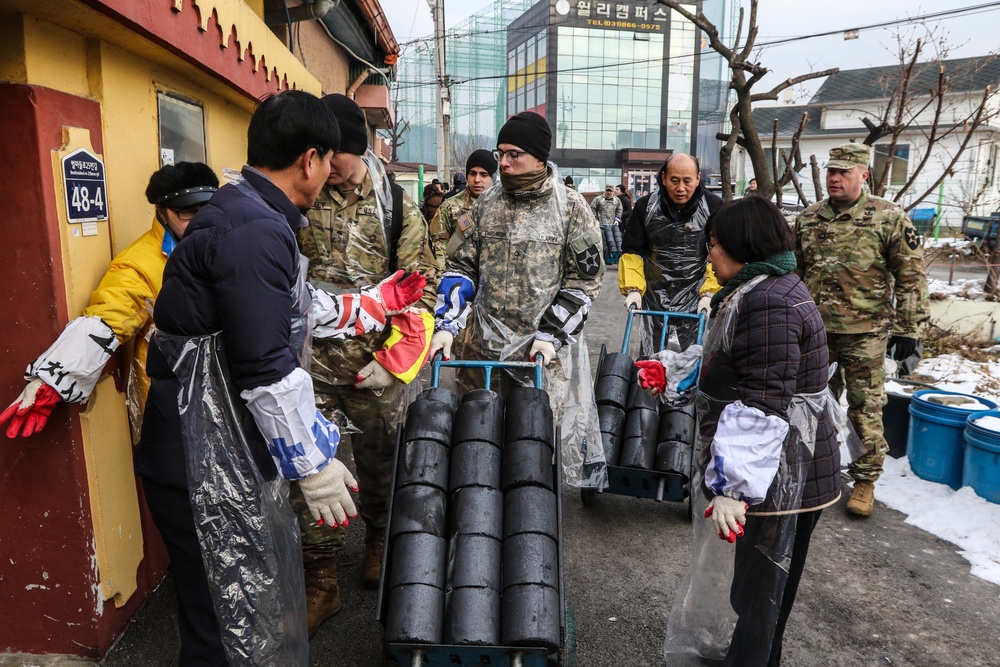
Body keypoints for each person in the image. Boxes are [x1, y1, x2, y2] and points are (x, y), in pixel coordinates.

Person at [651, 197, 840, 667]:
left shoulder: (771, 302)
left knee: (762, 599)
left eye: (714, 244)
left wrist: (734, 487)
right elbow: (733, 360)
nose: (709, 254)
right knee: (756, 594)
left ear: (741, 245)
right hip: (776, 470)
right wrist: (678, 372)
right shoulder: (758, 289)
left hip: (781, 475)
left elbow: (763, 398)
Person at [294, 93, 442, 634]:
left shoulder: (396, 205)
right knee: (311, 473)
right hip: (310, 369)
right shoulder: (300, 193)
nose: (328, 168)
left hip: (374, 370)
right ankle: (322, 579)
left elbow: (420, 290)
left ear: (358, 149)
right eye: (322, 156)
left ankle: (379, 539)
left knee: (380, 465)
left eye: (338, 157)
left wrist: (394, 360)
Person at [1, 162, 218, 441]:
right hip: (180, 407)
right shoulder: (138, 264)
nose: (200, 221)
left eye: (208, 210)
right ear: (161, 211)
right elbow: (111, 314)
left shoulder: (229, 241)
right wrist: (56, 378)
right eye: (187, 212)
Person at [794, 143, 929, 517]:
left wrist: (909, 328)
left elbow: (911, 277)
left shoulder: (889, 217)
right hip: (816, 332)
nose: (834, 178)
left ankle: (865, 480)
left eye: (843, 173)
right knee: (809, 403)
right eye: (830, 172)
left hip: (865, 333)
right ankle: (809, 467)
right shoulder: (809, 218)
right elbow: (795, 272)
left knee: (865, 409)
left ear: (863, 175)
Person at [429, 110, 604, 391]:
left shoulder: (571, 208)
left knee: (531, 432)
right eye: (501, 155)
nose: (505, 164)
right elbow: (462, 267)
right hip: (482, 356)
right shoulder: (486, 204)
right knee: (476, 429)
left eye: (514, 155)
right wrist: (447, 323)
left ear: (539, 157)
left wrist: (550, 335)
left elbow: (583, 282)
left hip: (539, 358)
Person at [619, 154, 722, 351]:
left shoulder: (714, 207)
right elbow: (632, 251)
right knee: (652, 357)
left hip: (698, 298)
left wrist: (710, 293)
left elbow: (720, 253)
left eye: (687, 181)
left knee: (693, 356)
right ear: (664, 178)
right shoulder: (645, 207)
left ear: (698, 178)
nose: (681, 188)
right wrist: (633, 290)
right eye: (674, 180)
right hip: (654, 298)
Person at [429, 148, 497, 259]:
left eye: (484, 174)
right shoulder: (449, 207)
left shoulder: (504, 207)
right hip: (458, 272)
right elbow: (438, 246)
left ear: (492, 177)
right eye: (472, 173)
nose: (477, 179)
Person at [592, 184, 624, 265]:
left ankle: (611, 258)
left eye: (610, 191)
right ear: (605, 190)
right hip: (601, 225)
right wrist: (595, 219)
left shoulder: (616, 200)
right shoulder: (598, 199)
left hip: (612, 225)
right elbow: (592, 208)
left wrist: (617, 219)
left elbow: (619, 210)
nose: (609, 192)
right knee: (602, 242)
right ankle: (602, 259)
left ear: (613, 191)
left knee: (612, 242)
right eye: (607, 191)